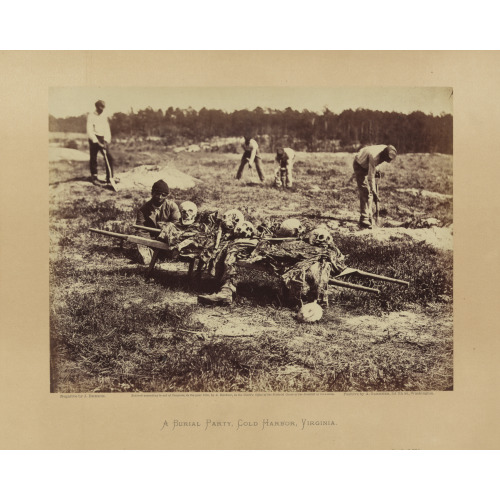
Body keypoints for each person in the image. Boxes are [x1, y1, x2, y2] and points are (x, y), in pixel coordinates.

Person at [135, 180, 181, 264]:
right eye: (157, 193)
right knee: (146, 260)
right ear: (152, 193)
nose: (160, 197)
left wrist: (164, 236)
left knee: (176, 255)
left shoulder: (172, 206)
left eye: (163, 195)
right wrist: (152, 243)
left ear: (167, 195)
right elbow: (141, 230)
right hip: (150, 240)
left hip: (167, 239)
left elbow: (176, 225)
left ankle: (161, 253)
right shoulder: (143, 209)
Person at [352, 144, 397, 229]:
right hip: (359, 165)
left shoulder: (386, 149)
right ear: (384, 155)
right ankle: (364, 218)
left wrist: (378, 169)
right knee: (366, 191)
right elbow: (370, 176)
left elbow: (377, 163)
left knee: (370, 194)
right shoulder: (374, 157)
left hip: (368, 162)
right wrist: (374, 190)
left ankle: (370, 216)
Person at [86, 100, 115, 186]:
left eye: (103, 107)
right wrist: (97, 142)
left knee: (109, 158)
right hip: (94, 138)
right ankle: (94, 177)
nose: (102, 109)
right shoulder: (91, 116)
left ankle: (110, 178)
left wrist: (106, 141)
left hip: (103, 138)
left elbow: (107, 129)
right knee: (93, 158)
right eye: (101, 107)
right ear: (96, 106)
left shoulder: (104, 116)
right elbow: (89, 130)